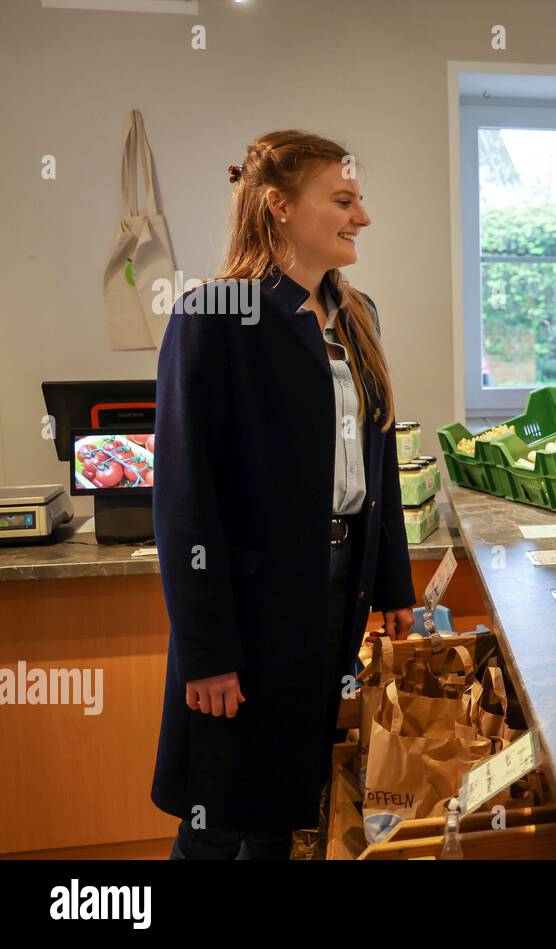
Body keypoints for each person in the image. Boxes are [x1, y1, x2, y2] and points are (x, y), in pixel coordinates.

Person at [151, 130, 416, 859]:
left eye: (359, 199)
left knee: (294, 796)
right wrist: (206, 651)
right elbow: (183, 495)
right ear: (278, 204)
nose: (362, 216)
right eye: (343, 199)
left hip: (336, 586)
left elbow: (380, 460)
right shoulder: (213, 316)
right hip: (250, 602)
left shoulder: (356, 315)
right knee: (224, 804)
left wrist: (395, 583)